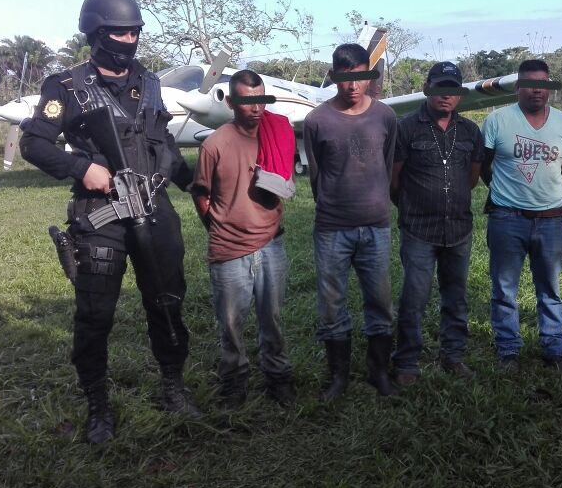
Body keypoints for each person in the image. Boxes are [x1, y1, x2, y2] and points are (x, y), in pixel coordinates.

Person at [20, 0, 198, 444]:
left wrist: (194, 185)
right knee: (95, 314)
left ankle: (172, 387)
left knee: (167, 304)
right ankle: (98, 404)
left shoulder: (150, 82)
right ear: (97, 34)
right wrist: (83, 168)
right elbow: (34, 142)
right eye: (120, 31)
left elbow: (164, 146)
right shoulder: (66, 86)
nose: (129, 39)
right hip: (100, 214)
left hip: (154, 210)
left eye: (135, 31)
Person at [192, 70, 296, 408]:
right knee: (232, 324)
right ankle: (235, 384)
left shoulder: (276, 132)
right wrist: (219, 227)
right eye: (247, 101)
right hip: (229, 249)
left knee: (273, 319)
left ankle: (278, 378)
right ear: (233, 102)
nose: (255, 108)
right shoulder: (216, 143)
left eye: (260, 99)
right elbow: (201, 193)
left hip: (271, 243)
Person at [303, 43, 398, 399]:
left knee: (380, 302)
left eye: (360, 76)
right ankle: (338, 376)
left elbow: (387, 165)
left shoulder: (385, 116)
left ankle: (379, 372)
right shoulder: (317, 120)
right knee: (331, 305)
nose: (353, 85)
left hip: (376, 225)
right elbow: (316, 174)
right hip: (332, 227)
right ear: (335, 76)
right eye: (346, 78)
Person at [390, 62, 484, 385]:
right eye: (439, 87)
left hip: (459, 229)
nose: (445, 95)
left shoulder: (471, 132)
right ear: (428, 87)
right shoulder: (406, 128)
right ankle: (406, 363)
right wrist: (413, 206)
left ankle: (453, 356)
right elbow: (394, 179)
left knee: (455, 298)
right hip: (418, 229)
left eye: (452, 89)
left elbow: (471, 179)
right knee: (414, 298)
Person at [481, 59, 562, 373]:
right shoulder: (498, 120)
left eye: (544, 84)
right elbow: (484, 164)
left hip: (551, 220)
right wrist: (507, 192)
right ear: (518, 87)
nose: (537, 90)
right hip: (507, 218)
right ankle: (508, 350)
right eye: (530, 84)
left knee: (549, 287)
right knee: (504, 288)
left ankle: (554, 349)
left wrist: (546, 192)